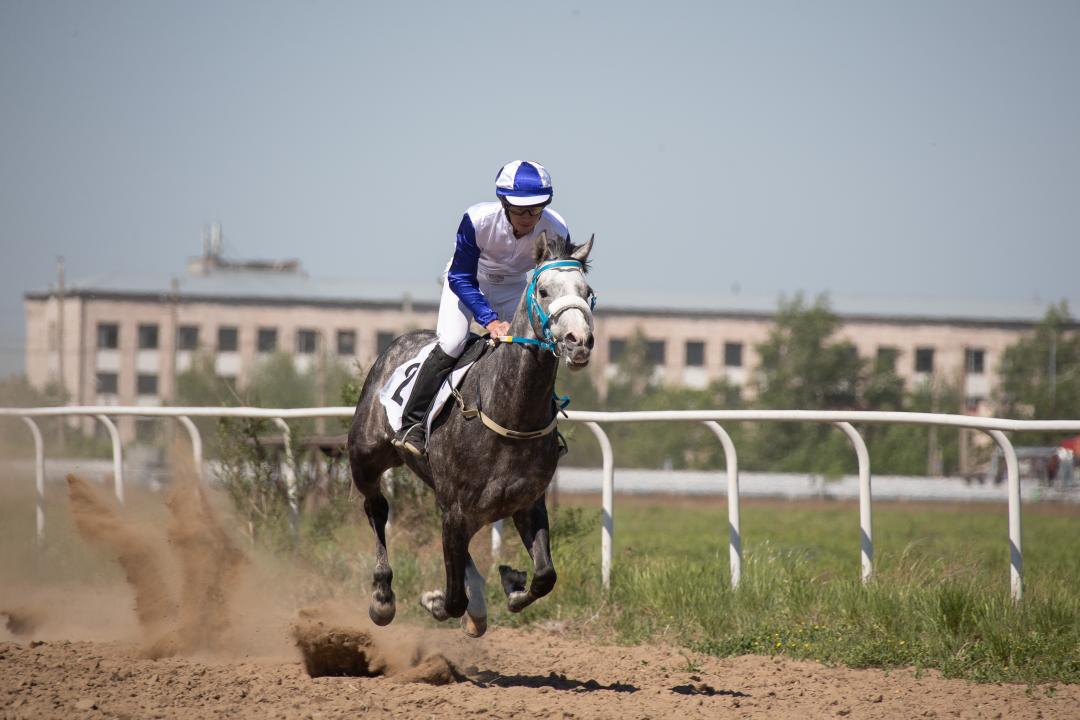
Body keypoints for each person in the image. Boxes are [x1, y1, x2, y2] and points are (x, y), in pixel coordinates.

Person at [392, 160, 571, 457]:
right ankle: (412, 423)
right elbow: (460, 277)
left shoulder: (556, 228)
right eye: (520, 209)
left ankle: (548, 431)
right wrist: (489, 320)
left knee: (537, 348)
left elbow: (553, 276)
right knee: (452, 342)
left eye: (536, 209)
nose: (528, 217)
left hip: (515, 286)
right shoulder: (478, 220)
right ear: (504, 203)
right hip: (468, 281)